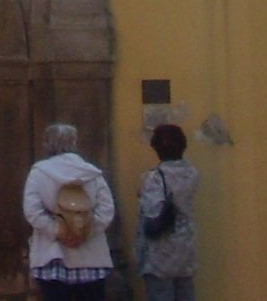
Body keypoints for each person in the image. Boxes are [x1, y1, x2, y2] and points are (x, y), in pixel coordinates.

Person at [24, 122, 116, 300]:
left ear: (48, 144)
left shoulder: (38, 173)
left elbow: (32, 211)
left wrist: (59, 231)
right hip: (91, 257)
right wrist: (84, 232)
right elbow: (106, 210)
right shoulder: (92, 174)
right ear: (74, 142)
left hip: (52, 257)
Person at [136, 123, 199, 301]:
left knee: (160, 293)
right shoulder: (192, 173)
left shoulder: (154, 178)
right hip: (186, 245)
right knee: (186, 293)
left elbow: (152, 213)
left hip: (160, 252)